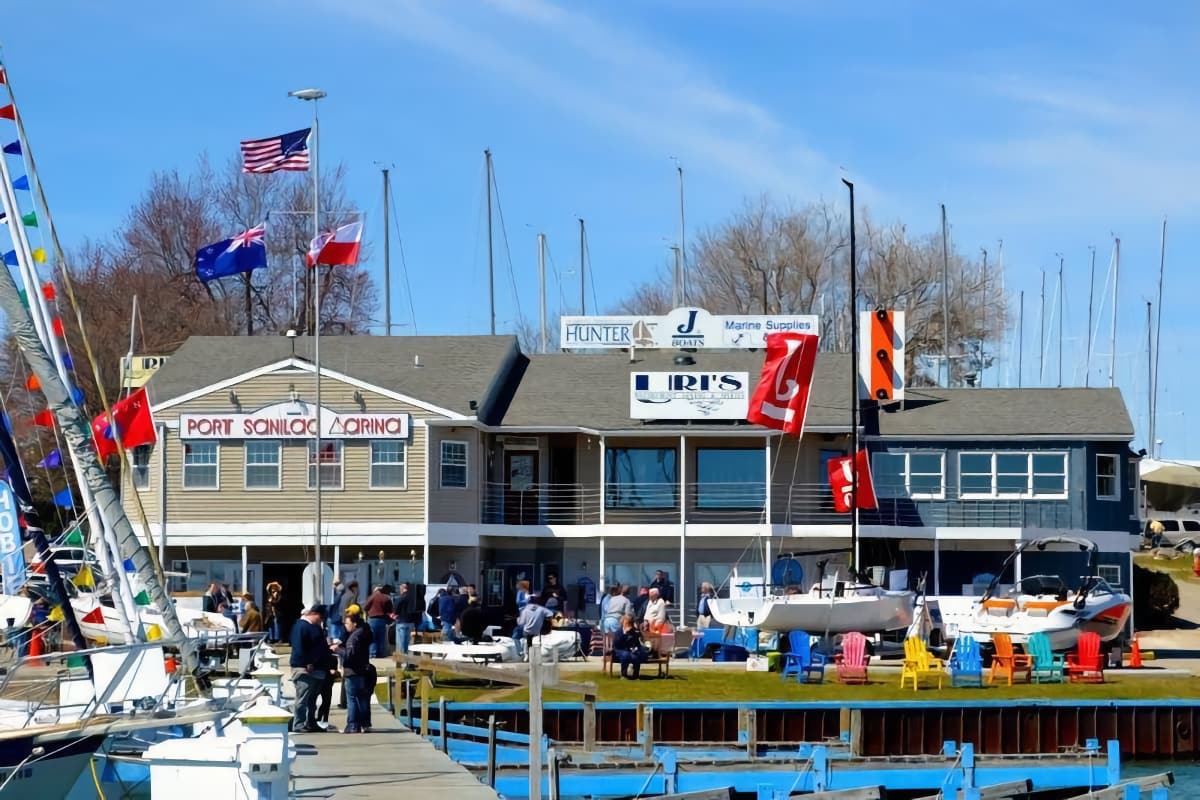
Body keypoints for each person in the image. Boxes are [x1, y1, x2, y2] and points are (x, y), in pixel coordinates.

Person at [289, 605, 330, 733]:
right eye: (320, 617)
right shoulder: (301, 626)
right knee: (303, 697)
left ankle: (310, 722)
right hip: (304, 668)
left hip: (318, 668)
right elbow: (298, 646)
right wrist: (307, 662)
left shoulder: (316, 627)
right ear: (313, 613)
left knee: (312, 699)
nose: (321, 620)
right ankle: (299, 724)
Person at [335, 609, 374, 733]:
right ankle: (365, 723)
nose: (345, 626)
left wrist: (337, 650)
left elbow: (350, 655)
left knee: (351, 698)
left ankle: (352, 725)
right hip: (363, 669)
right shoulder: (365, 632)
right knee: (362, 698)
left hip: (352, 671)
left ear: (354, 623)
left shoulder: (354, 637)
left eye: (347, 623)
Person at [363, 585, 394, 659]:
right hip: (382, 619)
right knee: (381, 638)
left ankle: (372, 654)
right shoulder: (386, 598)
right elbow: (390, 610)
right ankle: (380, 654)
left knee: (372, 638)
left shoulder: (372, 596)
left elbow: (365, 607)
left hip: (372, 619)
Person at [613, 615, 647, 680]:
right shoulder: (619, 632)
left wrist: (636, 648)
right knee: (625, 655)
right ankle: (624, 675)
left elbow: (637, 643)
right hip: (619, 650)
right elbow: (616, 644)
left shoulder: (632, 632)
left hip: (629, 650)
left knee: (636, 657)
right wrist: (625, 634)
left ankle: (635, 675)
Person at [393, 582, 422, 656]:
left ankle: (402, 657)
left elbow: (395, 609)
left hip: (402, 621)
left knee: (401, 641)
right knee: (409, 642)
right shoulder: (413, 599)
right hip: (411, 622)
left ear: (402, 589)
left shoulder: (401, 598)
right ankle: (408, 657)